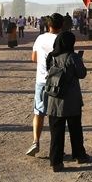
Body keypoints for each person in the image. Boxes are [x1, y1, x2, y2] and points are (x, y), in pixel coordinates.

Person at [44, 30, 89, 171]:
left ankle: (56, 161)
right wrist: (79, 61)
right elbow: (82, 74)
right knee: (75, 130)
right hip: (71, 100)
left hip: (54, 99)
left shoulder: (51, 56)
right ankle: (79, 155)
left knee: (56, 133)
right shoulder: (72, 57)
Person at [27, 14, 62, 158]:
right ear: (62, 25)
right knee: (56, 116)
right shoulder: (62, 39)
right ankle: (55, 148)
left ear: (48, 25)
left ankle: (36, 141)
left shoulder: (40, 38)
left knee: (38, 112)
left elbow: (34, 58)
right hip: (58, 81)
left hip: (41, 80)